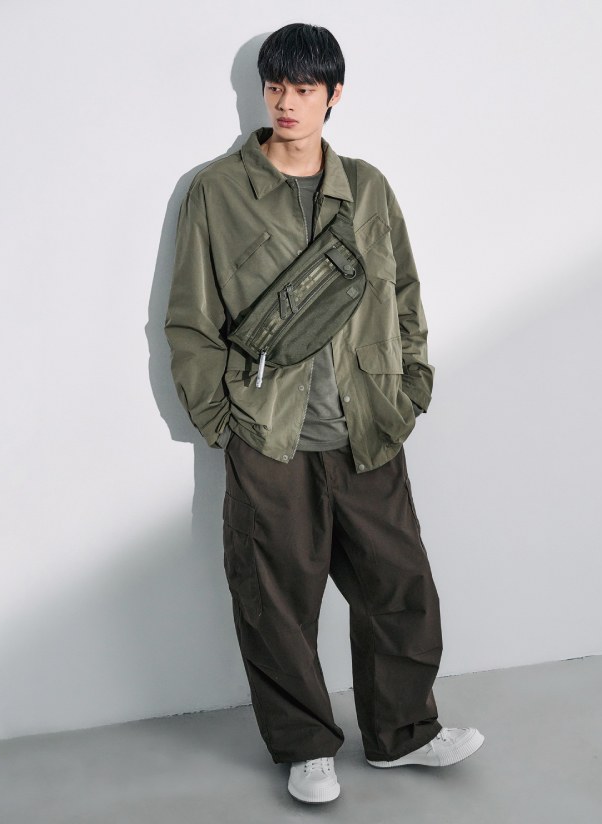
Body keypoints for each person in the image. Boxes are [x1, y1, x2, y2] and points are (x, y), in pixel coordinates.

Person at [164, 22, 484, 804]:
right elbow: (190, 320)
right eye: (275, 86)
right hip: (270, 437)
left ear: (333, 95)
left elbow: (403, 294)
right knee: (276, 601)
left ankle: (402, 734)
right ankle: (306, 747)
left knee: (400, 588)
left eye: (303, 88)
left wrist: (408, 389)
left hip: (367, 427)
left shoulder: (367, 188)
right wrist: (223, 419)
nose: (285, 102)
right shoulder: (216, 191)